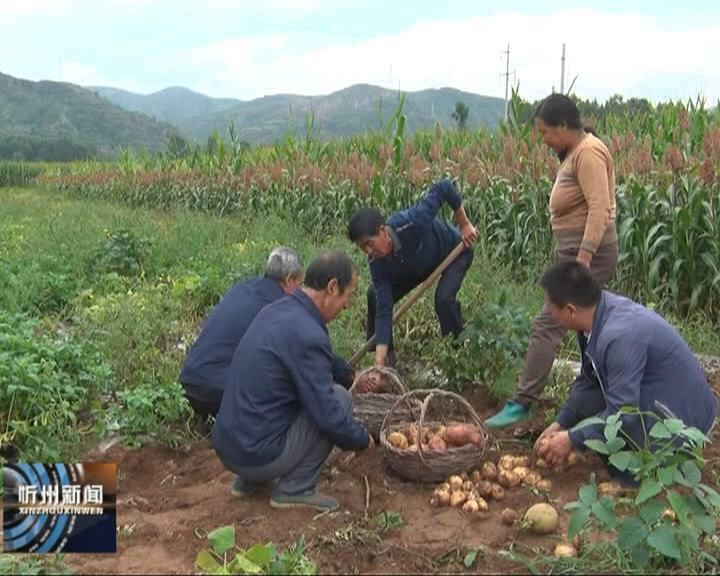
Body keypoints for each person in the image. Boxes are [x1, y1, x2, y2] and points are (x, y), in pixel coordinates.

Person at [486, 93, 619, 428]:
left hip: (589, 254)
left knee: (549, 324)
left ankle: (522, 403)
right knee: (586, 326)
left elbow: (599, 207)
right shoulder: (577, 151)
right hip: (577, 253)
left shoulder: (588, 152)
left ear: (563, 125)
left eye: (546, 132)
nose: (543, 139)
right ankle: (599, 397)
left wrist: (582, 260)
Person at [211, 251, 374, 512]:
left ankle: (251, 482)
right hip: (255, 454)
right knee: (339, 398)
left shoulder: (275, 310)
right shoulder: (307, 332)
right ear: (332, 287)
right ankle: (295, 488)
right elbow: (328, 414)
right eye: (349, 295)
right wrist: (362, 440)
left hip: (228, 445)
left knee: (292, 394)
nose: (347, 305)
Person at [534, 261, 718, 485]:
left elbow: (624, 412)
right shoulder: (593, 317)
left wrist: (572, 439)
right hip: (656, 392)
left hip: (682, 416)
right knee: (588, 402)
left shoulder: (619, 335)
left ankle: (664, 462)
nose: (551, 316)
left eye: (552, 310)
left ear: (571, 310)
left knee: (631, 477)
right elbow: (588, 381)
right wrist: (562, 423)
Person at [178, 247, 355, 425]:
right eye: (300, 283)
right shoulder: (281, 308)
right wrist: (347, 374)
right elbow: (307, 352)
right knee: (297, 390)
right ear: (288, 280)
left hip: (189, 385)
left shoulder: (243, 288)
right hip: (219, 391)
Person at [347, 178, 478, 369]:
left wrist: (464, 224)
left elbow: (444, 187)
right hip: (415, 268)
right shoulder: (377, 262)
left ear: (383, 231)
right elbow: (384, 311)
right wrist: (378, 363)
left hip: (454, 253)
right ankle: (386, 361)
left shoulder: (413, 222)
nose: (368, 251)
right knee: (375, 295)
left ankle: (457, 356)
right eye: (362, 248)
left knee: (443, 300)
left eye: (369, 243)